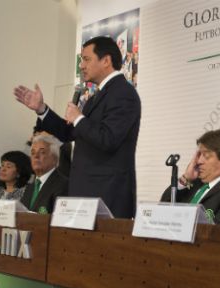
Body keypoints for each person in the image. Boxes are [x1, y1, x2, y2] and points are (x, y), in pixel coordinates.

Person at [14, 36, 141, 218]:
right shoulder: (98, 96)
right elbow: (70, 133)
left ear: (106, 60)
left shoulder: (123, 93)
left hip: (108, 196)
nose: (81, 66)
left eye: (87, 59)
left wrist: (79, 118)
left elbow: (109, 139)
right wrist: (42, 109)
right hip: (86, 195)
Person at [160, 130, 220, 226]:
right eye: (199, 155)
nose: (199, 161)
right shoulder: (193, 184)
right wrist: (185, 179)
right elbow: (163, 208)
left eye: (206, 156)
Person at [20, 133, 69, 214]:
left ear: (55, 158)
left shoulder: (63, 185)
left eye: (42, 152)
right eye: (33, 153)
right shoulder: (29, 187)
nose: (36, 156)